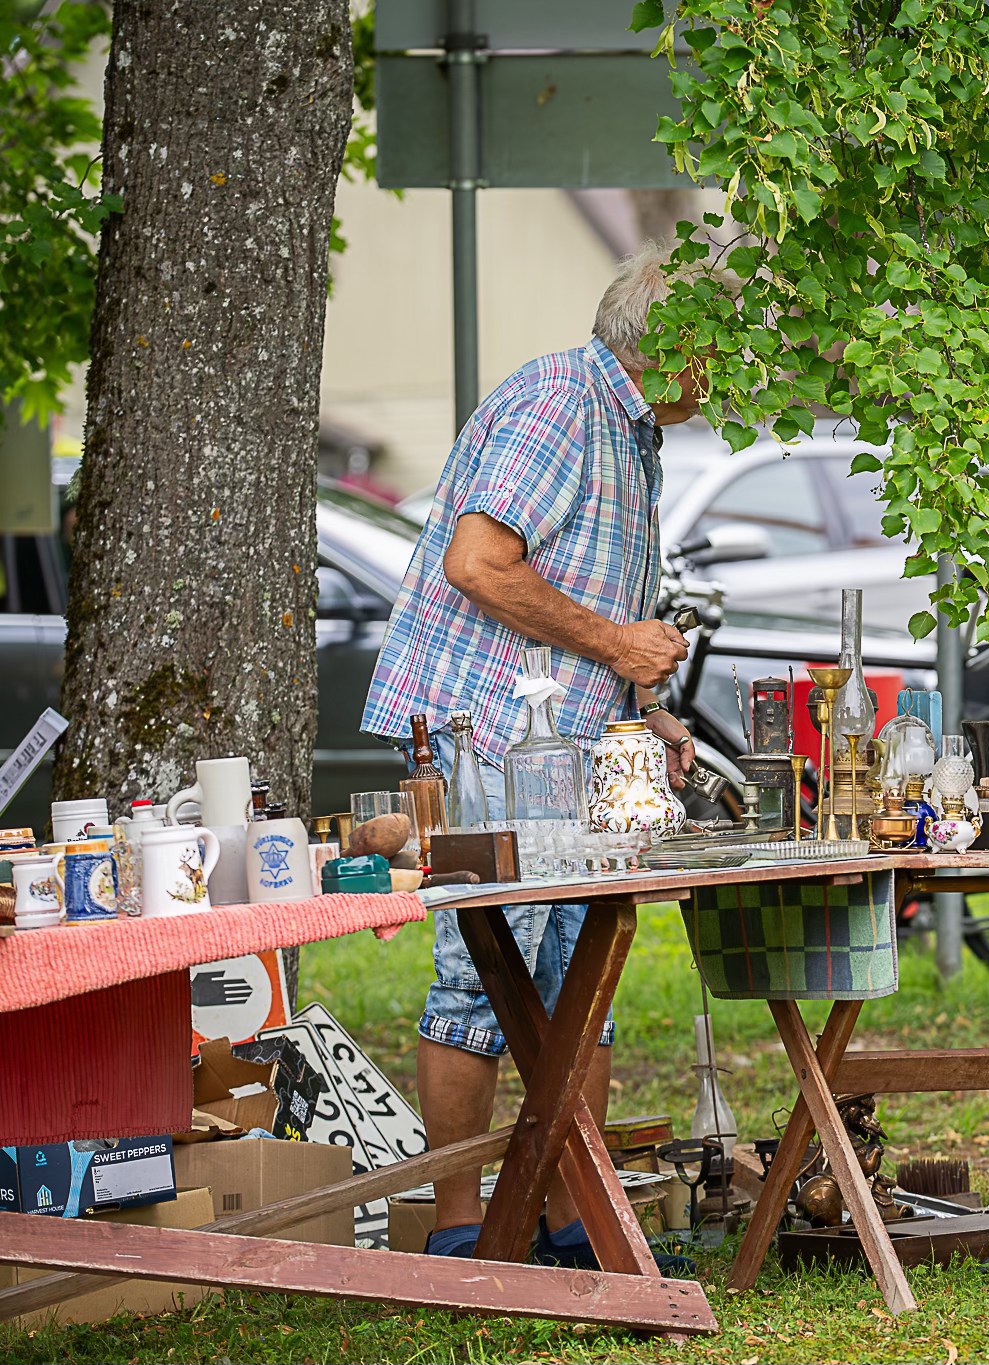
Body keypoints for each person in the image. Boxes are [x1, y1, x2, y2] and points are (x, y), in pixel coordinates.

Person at [360, 240, 709, 1264]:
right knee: (478, 983)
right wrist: (614, 646)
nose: (743, 377)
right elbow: (480, 564)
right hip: (488, 742)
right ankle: (463, 1229)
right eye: (729, 355)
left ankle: (571, 1218)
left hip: (560, 741)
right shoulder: (560, 402)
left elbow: (585, 588)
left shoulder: (627, 425)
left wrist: (643, 703)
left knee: (578, 980)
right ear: (678, 346)